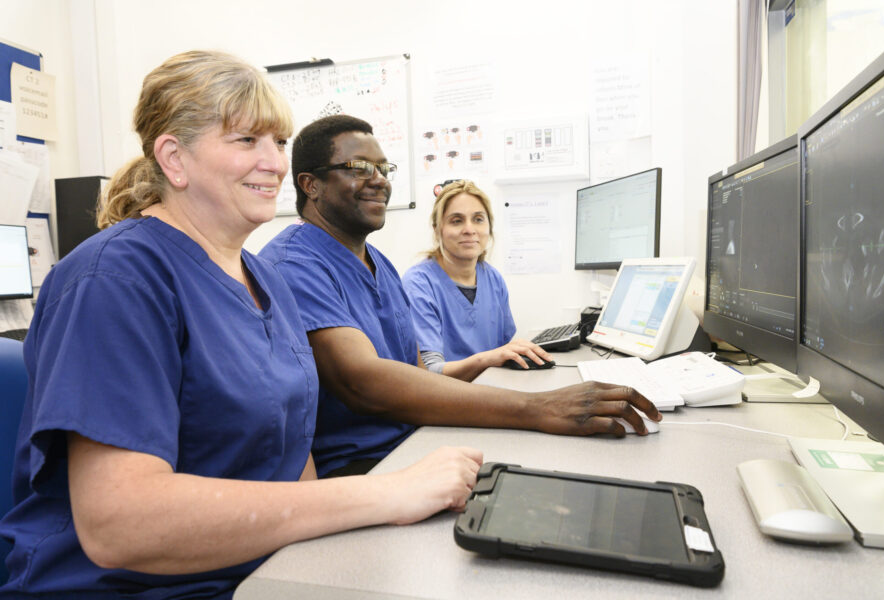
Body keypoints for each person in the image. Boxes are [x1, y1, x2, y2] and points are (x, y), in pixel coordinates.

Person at [0, 51, 481, 599]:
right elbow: (120, 525)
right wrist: (384, 496)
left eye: (278, 141)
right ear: (174, 159)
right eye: (246, 140)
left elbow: (292, 450)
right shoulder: (113, 280)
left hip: (261, 569)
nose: (275, 163)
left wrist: (330, 562)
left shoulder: (265, 278)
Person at [258, 115, 661, 479]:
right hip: (364, 465)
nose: (379, 179)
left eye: (383, 168)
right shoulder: (295, 264)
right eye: (359, 168)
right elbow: (363, 382)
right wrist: (537, 407)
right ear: (310, 185)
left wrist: (534, 405)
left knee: (572, 468)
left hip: (418, 438)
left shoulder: (378, 262)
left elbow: (417, 373)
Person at [402, 180, 551, 381]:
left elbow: (503, 351)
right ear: (438, 229)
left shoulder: (493, 279)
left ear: (489, 227)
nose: (469, 229)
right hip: (444, 402)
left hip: (490, 392)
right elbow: (429, 372)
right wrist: (486, 359)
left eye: (478, 219)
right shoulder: (419, 284)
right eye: (457, 220)